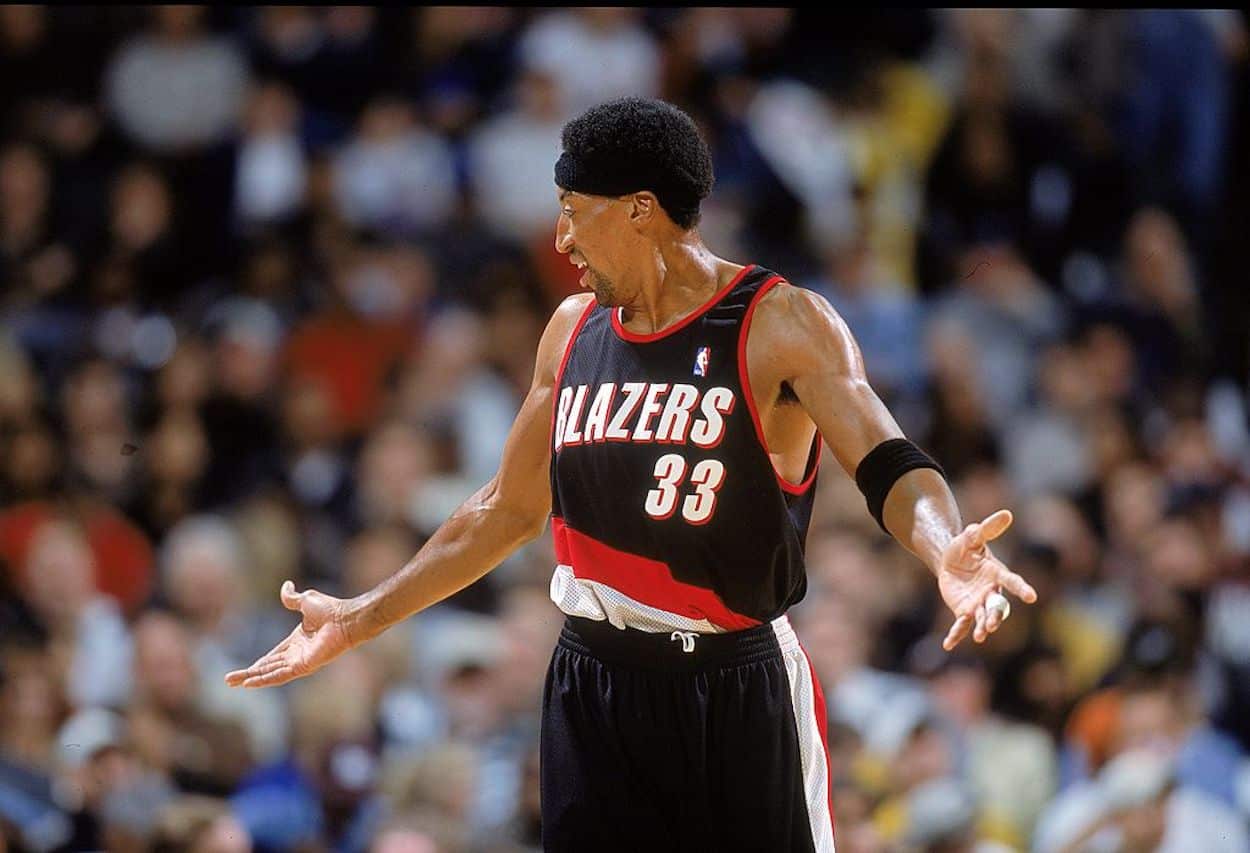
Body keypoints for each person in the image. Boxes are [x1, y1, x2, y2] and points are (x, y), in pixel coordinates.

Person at [227, 97, 1037, 852]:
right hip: (593, 681)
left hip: (735, 685)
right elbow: (504, 511)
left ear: (640, 210)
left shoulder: (779, 322)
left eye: (575, 213)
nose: (561, 240)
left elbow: (889, 461)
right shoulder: (571, 329)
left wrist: (943, 551)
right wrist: (360, 617)